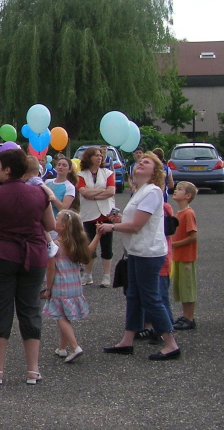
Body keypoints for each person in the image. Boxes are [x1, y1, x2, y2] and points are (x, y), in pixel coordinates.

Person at [0, 148, 55, 385]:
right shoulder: (40, 193)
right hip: (34, 255)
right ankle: (32, 370)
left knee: (0, 307)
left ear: (8, 169)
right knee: (30, 308)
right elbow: (49, 224)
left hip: (1, 255)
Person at [99, 152, 181, 360]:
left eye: (147, 162)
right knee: (133, 295)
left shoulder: (153, 192)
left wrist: (112, 226)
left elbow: (137, 225)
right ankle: (127, 341)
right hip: (136, 251)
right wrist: (120, 218)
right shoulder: (140, 191)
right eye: (140, 162)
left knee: (151, 297)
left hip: (148, 253)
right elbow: (134, 219)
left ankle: (171, 343)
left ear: (155, 171)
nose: (141, 164)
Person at [40, 209, 92, 363]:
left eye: (57, 218)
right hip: (74, 284)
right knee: (64, 315)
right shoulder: (75, 243)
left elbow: (51, 269)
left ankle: (75, 346)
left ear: (62, 226)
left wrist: (48, 288)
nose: (54, 220)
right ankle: (62, 347)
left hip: (60, 285)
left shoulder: (57, 245)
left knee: (60, 316)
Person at [77, 146, 116, 287]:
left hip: (105, 214)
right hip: (89, 215)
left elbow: (111, 191)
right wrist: (100, 191)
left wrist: (93, 193)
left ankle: (106, 276)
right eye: (96, 155)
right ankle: (88, 275)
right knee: (89, 246)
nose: (99, 157)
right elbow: (84, 193)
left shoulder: (108, 173)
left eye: (100, 155)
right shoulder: (81, 174)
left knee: (107, 246)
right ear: (89, 158)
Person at [171, 182, 199, 330]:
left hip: (187, 257)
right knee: (181, 288)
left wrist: (175, 244)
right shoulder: (179, 213)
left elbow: (193, 236)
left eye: (179, 189)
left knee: (188, 288)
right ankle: (185, 315)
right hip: (178, 256)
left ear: (187, 196)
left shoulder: (188, 214)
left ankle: (190, 317)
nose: (175, 191)